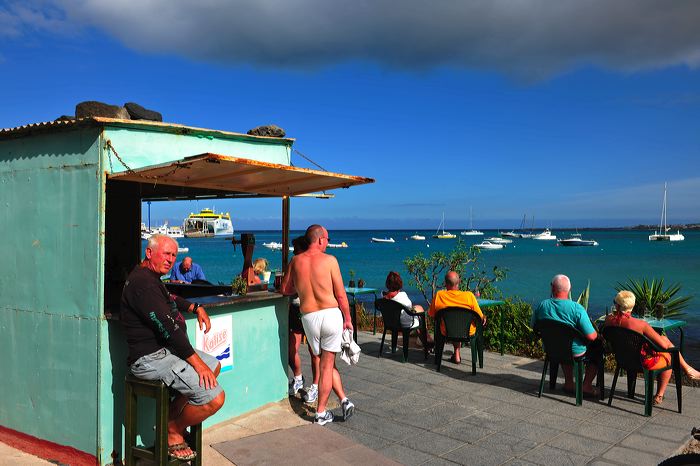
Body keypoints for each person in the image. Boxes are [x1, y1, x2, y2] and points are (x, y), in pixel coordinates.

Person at [121, 235, 225, 461]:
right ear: (149, 253)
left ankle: (170, 416)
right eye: (165, 254)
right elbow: (170, 331)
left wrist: (195, 307)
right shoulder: (142, 283)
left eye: (173, 255)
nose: (170, 260)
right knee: (215, 398)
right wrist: (197, 364)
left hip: (166, 352)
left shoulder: (152, 278)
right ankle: (172, 429)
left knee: (214, 366)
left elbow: (170, 296)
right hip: (150, 359)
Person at [281, 224, 355, 425]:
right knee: (327, 364)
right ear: (320, 239)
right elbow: (341, 294)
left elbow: (285, 289)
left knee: (324, 362)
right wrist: (348, 319)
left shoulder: (295, 261)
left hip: (309, 317)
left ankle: (344, 399)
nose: (328, 243)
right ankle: (321, 412)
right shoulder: (330, 260)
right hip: (330, 314)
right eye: (328, 239)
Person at [604, 290, 700, 405]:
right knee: (669, 355)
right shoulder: (641, 324)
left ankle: (687, 369)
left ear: (617, 305)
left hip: (622, 359)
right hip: (642, 363)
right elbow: (664, 346)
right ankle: (659, 395)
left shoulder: (608, 320)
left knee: (665, 341)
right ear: (632, 305)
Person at [531, 274, 601, 397]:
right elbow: (592, 336)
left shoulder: (543, 305)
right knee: (597, 349)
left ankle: (569, 383)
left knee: (563, 343)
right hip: (572, 351)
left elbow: (534, 325)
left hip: (551, 348)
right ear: (569, 289)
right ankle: (586, 385)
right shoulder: (576, 309)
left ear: (552, 288)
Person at [287, 236, 321, 403]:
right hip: (295, 308)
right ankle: (298, 377)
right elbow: (287, 288)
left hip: (311, 310)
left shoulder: (316, 263)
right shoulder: (295, 263)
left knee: (314, 351)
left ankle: (315, 386)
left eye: (296, 249)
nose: (294, 252)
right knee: (291, 346)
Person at [428, 271, 485, 364]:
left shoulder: (439, 295)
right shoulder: (469, 296)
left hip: (447, 331)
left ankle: (455, 354)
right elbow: (480, 317)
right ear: (459, 282)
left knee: (452, 324)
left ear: (445, 283)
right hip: (467, 332)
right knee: (461, 325)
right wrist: (483, 317)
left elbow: (432, 314)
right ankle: (462, 356)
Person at [383, 271, 434, 351]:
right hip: (405, 324)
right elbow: (408, 308)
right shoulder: (402, 296)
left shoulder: (383, 297)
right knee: (420, 315)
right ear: (399, 283)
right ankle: (427, 341)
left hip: (391, 323)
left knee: (418, 308)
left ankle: (426, 341)